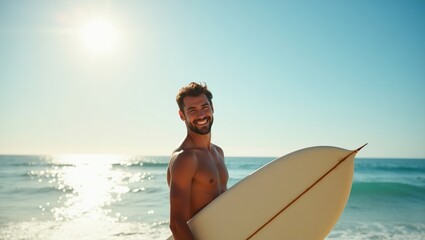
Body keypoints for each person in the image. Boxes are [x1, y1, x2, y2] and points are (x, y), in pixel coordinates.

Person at [167, 82, 228, 240]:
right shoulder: (185, 158)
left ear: (212, 108)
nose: (201, 115)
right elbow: (177, 223)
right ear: (182, 115)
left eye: (204, 107)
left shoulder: (218, 152)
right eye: (192, 110)